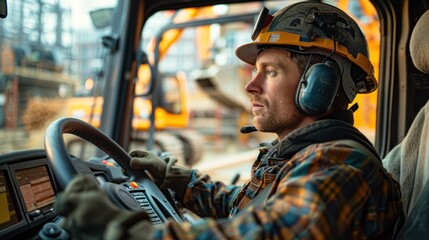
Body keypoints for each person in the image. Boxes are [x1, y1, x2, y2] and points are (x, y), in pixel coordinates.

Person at [55, 1, 403, 239]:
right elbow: (246, 207)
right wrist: (177, 179)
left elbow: (264, 235)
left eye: (270, 72)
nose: (251, 86)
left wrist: (123, 230)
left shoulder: (339, 163)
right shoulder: (302, 157)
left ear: (319, 85)